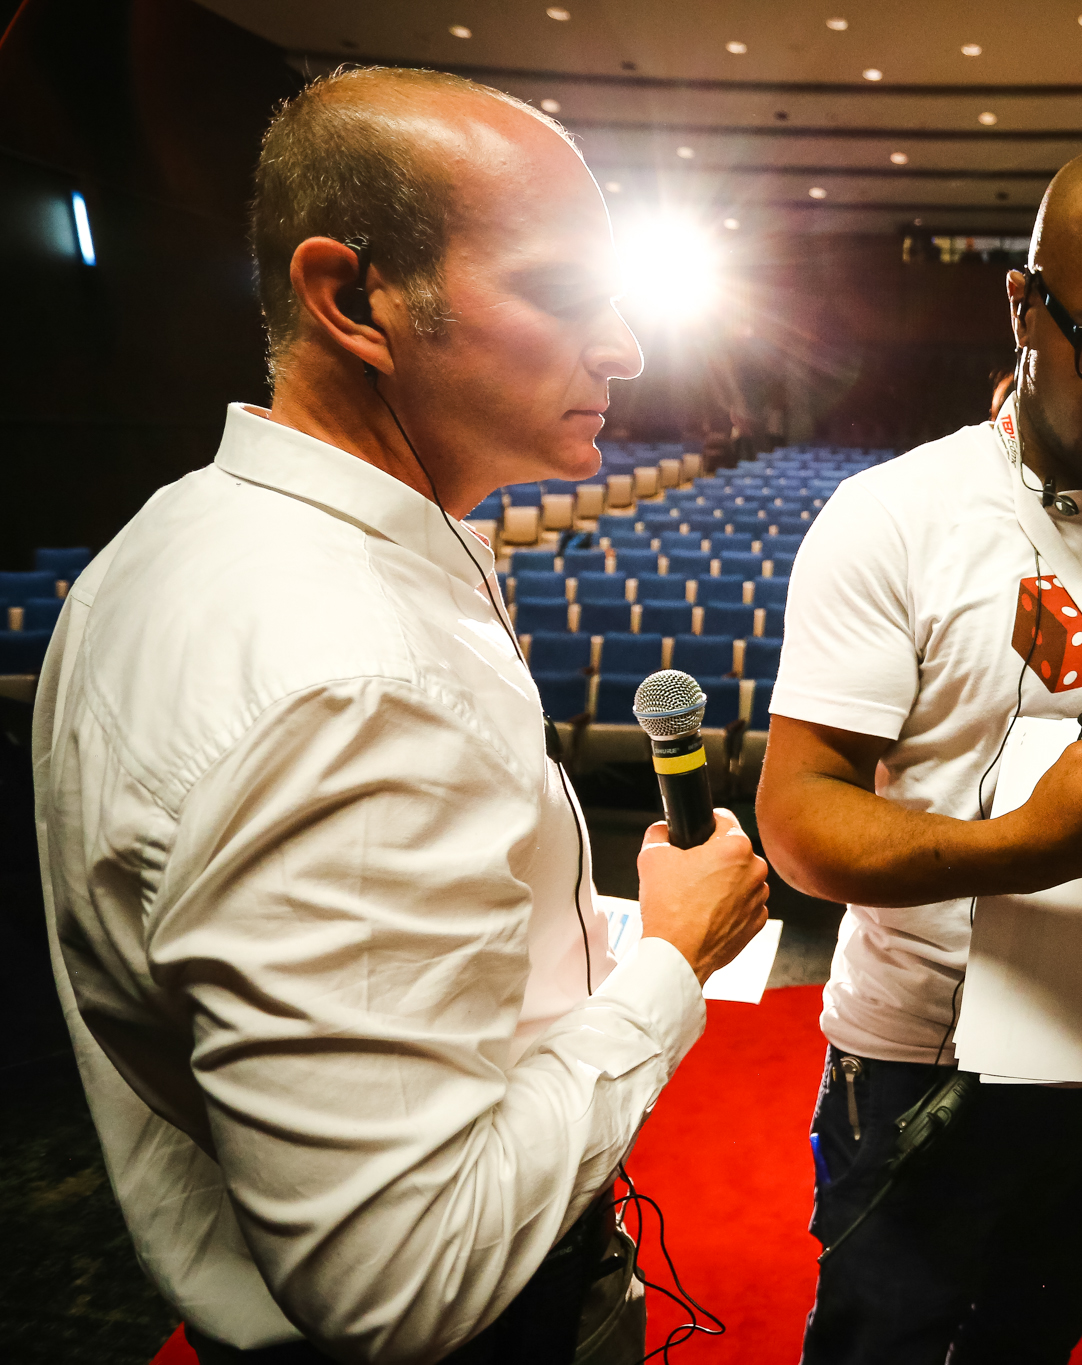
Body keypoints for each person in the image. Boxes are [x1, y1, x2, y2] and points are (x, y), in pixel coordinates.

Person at [34, 68, 770, 1364]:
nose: (626, 350)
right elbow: (404, 1280)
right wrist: (669, 960)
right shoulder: (353, 684)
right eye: (561, 291)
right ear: (353, 297)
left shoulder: (167, 534)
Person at [755, 148, 1082, 1363]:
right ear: (1021, 306)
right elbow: (798, 820)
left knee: (1033, 1335)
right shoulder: (894, 516)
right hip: (921, 1059)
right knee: (886, 1339)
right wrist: (1030, 844)